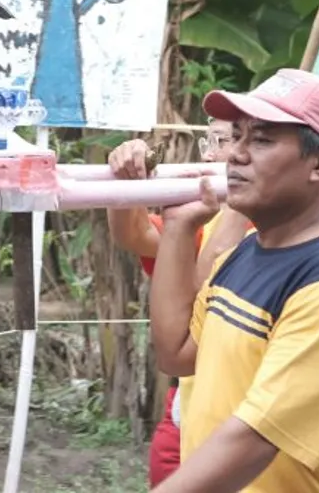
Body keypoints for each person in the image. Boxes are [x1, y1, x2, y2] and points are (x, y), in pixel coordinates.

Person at [150, 68, 319, 493]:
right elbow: (177, 353)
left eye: (261, 140)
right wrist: (178, 228)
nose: (236, 155)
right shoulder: (245, 253)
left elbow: (254, 439)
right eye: (238, 136)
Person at [106, 118, 251, 487]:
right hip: (191, 414)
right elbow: (133, 233)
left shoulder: (284, 230)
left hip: (257, 419)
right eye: (216, 140)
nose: (227, 152)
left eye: (240, 138)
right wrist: (128, 175)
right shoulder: (196, 221)